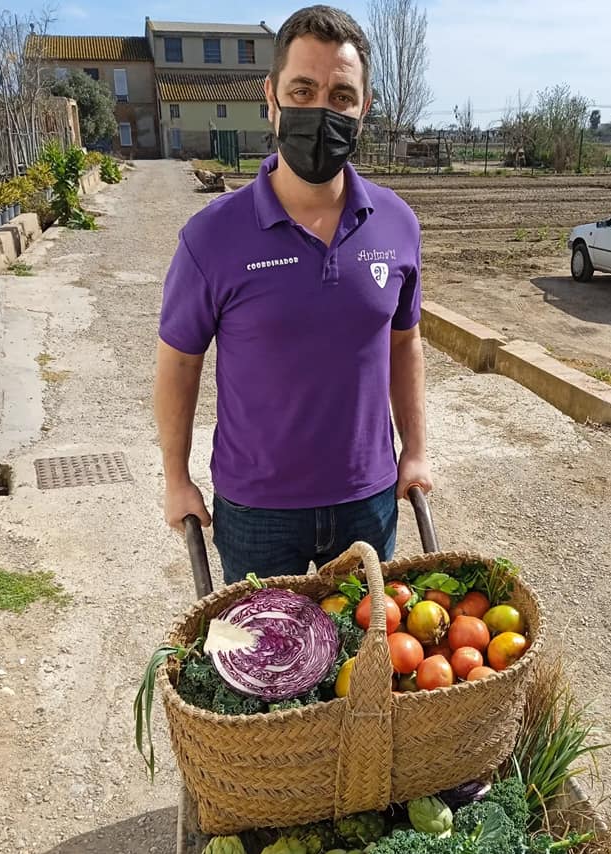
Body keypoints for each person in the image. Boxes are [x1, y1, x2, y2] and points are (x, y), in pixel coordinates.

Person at [154, 4, 431, 584]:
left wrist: (416, 451)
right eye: (303, 90)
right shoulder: (212, 237)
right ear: (272, 98)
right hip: (257, 512)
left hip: (369, 500)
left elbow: (405, 345)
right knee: (265, 670)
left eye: (341, 96)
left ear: (363, 108)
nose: (321, 110)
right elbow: (179, 360)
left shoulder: (397, 225)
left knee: (368, 669)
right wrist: (175, 478)